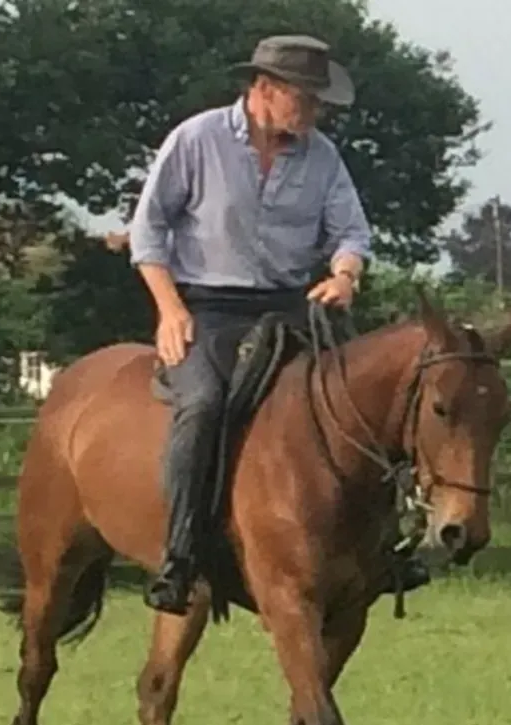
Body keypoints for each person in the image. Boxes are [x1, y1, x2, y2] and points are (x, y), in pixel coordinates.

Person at [129, 33, 430, 615]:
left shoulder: (322, 157)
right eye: (307, 99)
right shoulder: (197, 140)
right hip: (209, 307)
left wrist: (344, 276)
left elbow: (351, 233)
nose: (315, 113)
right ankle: (182, 555)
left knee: (367, 405)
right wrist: (170, 309)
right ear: (265, 90)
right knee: (204, 407)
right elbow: (149, 232)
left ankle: (385, 549)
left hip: (294, 306)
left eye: (318, 102)